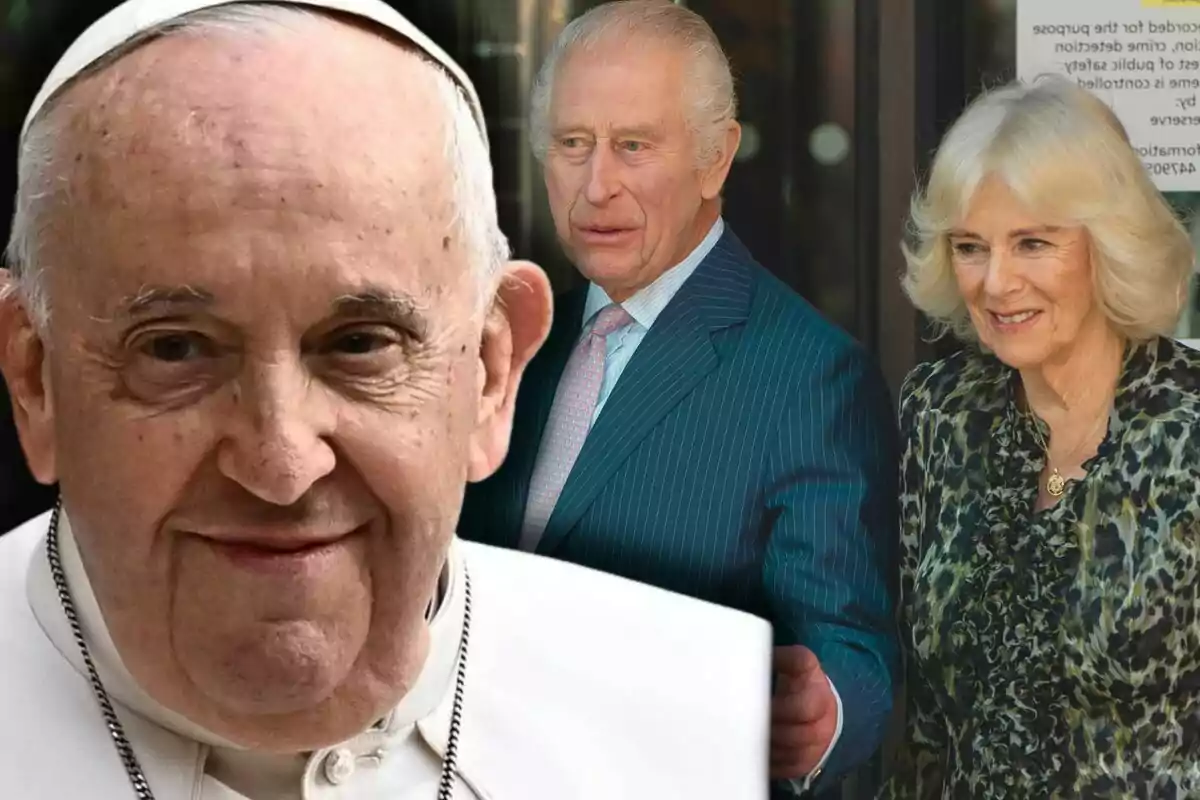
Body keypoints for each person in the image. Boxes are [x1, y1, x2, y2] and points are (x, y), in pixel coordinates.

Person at [0, 1, 777, 798]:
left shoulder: (722, 716)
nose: (280, 463)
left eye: (359, 344)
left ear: (490, 371)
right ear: (34, 379)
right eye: (175, 348)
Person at [458, 2, 899, 794]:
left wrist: (824, 706)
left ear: (714, 160)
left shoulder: (810, 373)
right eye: (572, 145)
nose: (597, 186)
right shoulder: (517, 340)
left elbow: (850, 647)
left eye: (633, 146)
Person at [881, 75, 1200, 798]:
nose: (996, 284)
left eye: (1032, 244)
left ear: (1106, 245)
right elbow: (929, 728)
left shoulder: (1189, 430)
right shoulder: (940, 411)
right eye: (970, 247)